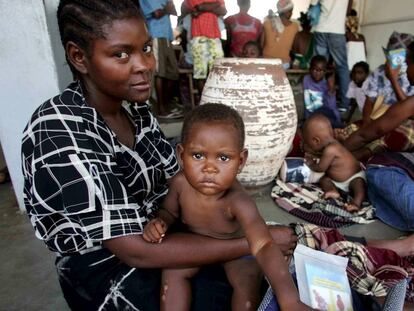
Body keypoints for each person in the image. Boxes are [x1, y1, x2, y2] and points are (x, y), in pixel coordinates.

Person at [21, 1, 298, 310]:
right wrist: (254, 242)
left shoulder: (133, 108)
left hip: (160, 231)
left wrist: (240, 223)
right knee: (221, 291)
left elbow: (176, 175)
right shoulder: (59, 129)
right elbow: (134, 250)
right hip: (107, 266)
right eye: (122, 54)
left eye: (146, 49)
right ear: (79, 57)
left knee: (262, 272)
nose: (144, 65)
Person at [143, 103, 310, 311]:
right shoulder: (180, 184)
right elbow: (168, 211)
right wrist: (160, 222)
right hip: (195, 247)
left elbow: (264, 245)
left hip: (235, 252)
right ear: (181, 154)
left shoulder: (238, 201)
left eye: (223, 158)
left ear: (240, 161)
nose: (210, 168)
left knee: (247, 281)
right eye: (197, 155)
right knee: (172, 273)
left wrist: (290, 300)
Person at [342, 41, 414, 161]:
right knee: (354, 128)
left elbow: (407, 107)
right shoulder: (379, 72)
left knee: (398, 134)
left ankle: (362, 154)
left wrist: (393, 80)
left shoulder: (402, 80)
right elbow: (369, 101)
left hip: (396, 122)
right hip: (382, 118)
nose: (406, 71)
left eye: (407, 64)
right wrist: (366, 123)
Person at [303, 114, 366, 211]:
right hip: (337, 181)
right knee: (324, 179)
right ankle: (332, 190)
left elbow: (321, 168)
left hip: (354, 176)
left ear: (316, 140)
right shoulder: (332, 144)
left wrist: (311, 163)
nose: (310, 148)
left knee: (359, 185)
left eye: (309, 145)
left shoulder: (330, 149)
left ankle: (356, 202)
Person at [139, 0, 182, 119]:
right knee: (159, 73)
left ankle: (165, 105)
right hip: (155, 35)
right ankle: (161, 109)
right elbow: (157, 14)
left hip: (167, 36)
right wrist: (167, 8)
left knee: (173, 73)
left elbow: (174, 12)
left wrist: (166, 9)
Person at [311, 0, 353, 112]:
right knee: (342, 68)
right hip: (337, 31)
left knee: (319, 66)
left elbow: (313, 4)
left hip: (321, 29)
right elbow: (349, 10)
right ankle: (344, 103)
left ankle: (318, 101)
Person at [183, 0, 227, 94]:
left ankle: (215, 101)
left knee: (217, 72)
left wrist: (204, 7)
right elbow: (198, 8)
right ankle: (204, 104)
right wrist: (216, 5)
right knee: (201, 74)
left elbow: (223, 11)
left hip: (215, 37)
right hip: (198, 38)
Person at [303, 55, 342, 128]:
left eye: (321, 71)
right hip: (311, 117)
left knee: (325, 117)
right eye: (315, 70)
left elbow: (332, 107)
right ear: (310, 69)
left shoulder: (326, 84)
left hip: (325, 115)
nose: (318, 73)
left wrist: (331, 89)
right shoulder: (306, 79)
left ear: (325, 71)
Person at [261, 0, 299, 69]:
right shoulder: (295, 26)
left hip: (266, 61)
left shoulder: (267, 23)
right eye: (290, 11)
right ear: (286, 12)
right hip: (284, 64)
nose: (292, 13)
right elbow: (295, 47)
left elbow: (261, 44)